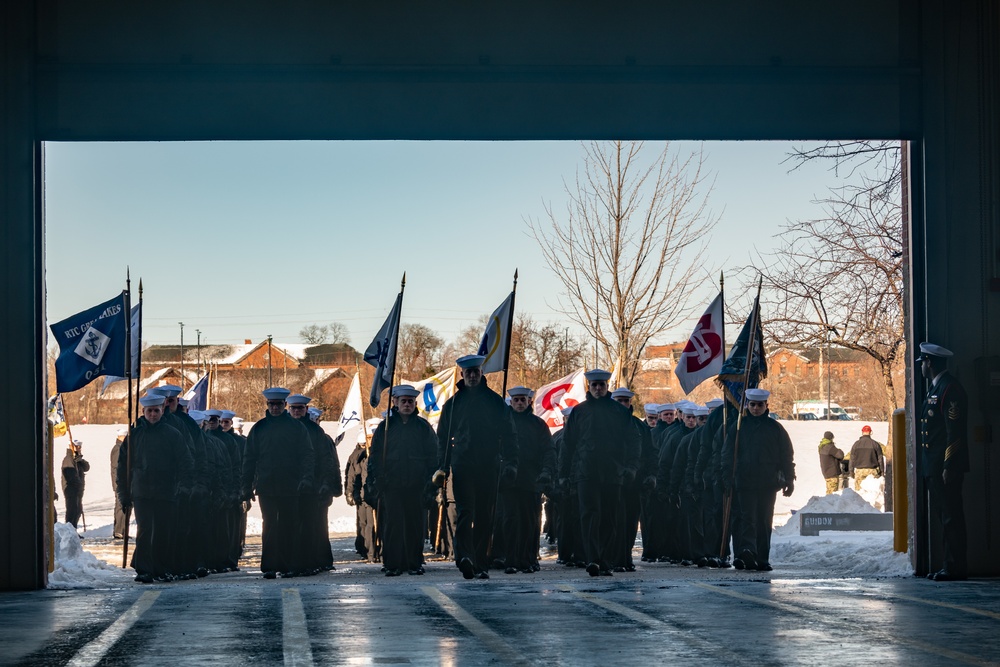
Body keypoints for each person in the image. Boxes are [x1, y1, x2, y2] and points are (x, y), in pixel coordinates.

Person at [432, 354, 517, 580]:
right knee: (465, 512)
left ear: (481, 373)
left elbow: (509, 434)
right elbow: (443, 439)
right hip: (463, 465)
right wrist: (442, 467)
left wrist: (510, 463)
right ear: (462, 374)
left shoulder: (495, 402)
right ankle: (464, 557)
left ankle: (480, 563)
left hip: (489, 465)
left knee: (484, 517)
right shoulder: (453, 404)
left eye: (475, 372)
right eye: (468, 372)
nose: (471, 375)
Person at [559, 369, 640, 577]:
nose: (597, 388)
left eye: (601, 385)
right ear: (589, 387)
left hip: (613, 473)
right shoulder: (579, 411)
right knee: (589, 516)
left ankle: (604, 559)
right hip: (585, 472)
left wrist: (630, 468)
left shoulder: (619, 412)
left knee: (609, 518)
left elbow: (632, 442)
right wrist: (564, 473)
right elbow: (567, 445)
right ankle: (593, 559)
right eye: (594, 385)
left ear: (606, 387)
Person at [117, 393, 194, 583]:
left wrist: (184, 486)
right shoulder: (134, 436)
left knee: (163, 531)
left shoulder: (172, 434)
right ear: (143, 412)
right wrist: (123, 493)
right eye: (149, 411)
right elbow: (122, 467)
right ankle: (144, 569)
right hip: (142, 491)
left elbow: (186, 462)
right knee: (145, 529)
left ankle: (162, 569)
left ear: (162, 411)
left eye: (156, 411)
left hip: (167, 491)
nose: (153, 414)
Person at [241, 387, 316, 579]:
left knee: (289, 525)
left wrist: (306, 478)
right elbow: (249, 459)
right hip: (266, 485)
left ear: (284, 405)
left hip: (291, 485)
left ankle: (290, 565)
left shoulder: (296, 428)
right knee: (270, 526)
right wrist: (246, 486)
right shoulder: (259, 428)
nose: (275, 408)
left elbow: (307, 455)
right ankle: (269, 566)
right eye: (271, 404)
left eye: (278, 404)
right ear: (267, 405)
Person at [721, 388, 795, 572]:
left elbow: (786, 455)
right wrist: (726, 477)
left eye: (759, 405)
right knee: (747, 518)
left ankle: (762, 558)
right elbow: (727, 454)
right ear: (747, 405)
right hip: (744, 482)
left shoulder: (775, 428)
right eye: (752, 405)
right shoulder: (739, 427)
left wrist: (789, 479)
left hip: (767, 483)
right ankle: (747, 552)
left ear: (766, 406)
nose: (755, 408)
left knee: (764, 520)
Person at [368, 385, 438, 576]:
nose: (407, 404)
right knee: (393, 525)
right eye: (403, 401)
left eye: (410, 401)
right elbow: (375, 455)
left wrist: (429, 483)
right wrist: (379, 478)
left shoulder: (423, 427)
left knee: (415, 525)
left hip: (416, 484)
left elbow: (433, 455)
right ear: (395, 403)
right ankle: (392, 563)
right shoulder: (386, 427)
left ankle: (414, 563)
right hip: (392, 484)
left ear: (415, 403)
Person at [917, 342, 968, 581]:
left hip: (944, 466)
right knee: (944, 516)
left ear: (931, 363)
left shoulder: (950, 389)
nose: (922, 367)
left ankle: (955, 566)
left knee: (951, 517)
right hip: (933, 465)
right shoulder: (935, 389)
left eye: (923, 362)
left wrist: (950, 465)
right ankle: (949, 564)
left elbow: (954, 433)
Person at [498, 386, 555, 574]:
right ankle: (511, 559)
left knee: (530, 522)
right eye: (517, 400)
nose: (520, 403)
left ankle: (529, 559)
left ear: (529, 401)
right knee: (509, 521)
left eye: (523, 400)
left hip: (532, 479)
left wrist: (546, 472)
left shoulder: (538, 425)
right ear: (511, 402)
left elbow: (548, 451)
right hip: (508, 481)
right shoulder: (503, 424)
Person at [61, 439, 90, 529]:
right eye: (76, 446)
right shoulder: (68, 459)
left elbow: (86, 468)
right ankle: (69, 531)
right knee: (72, 511)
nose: (78, 448)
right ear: (71, 446)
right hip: (71, 489)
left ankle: (74, 530)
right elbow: (71, 476)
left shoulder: (77, 459)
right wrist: (79, 484)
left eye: (79, 447)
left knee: (78, 511)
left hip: (78, 490)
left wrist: (81, 460)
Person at [848, 425, 885, 491]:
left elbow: (852, 459)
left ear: (862, 432)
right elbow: (880, 459)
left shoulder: (856, 444)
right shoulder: (875, 444)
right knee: (872, 493)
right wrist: (882, 471)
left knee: (859, 493)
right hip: (872, 471)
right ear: (870, 432)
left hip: (859, 471)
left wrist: (851, 471)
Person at [111, 429, 128, 539]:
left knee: (125, 507)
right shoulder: (118, 449)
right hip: (120, 483)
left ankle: (123, 530)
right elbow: (116, 468)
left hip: (124, 482)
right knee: (120, 506)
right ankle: (118, 530)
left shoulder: (122, 448)